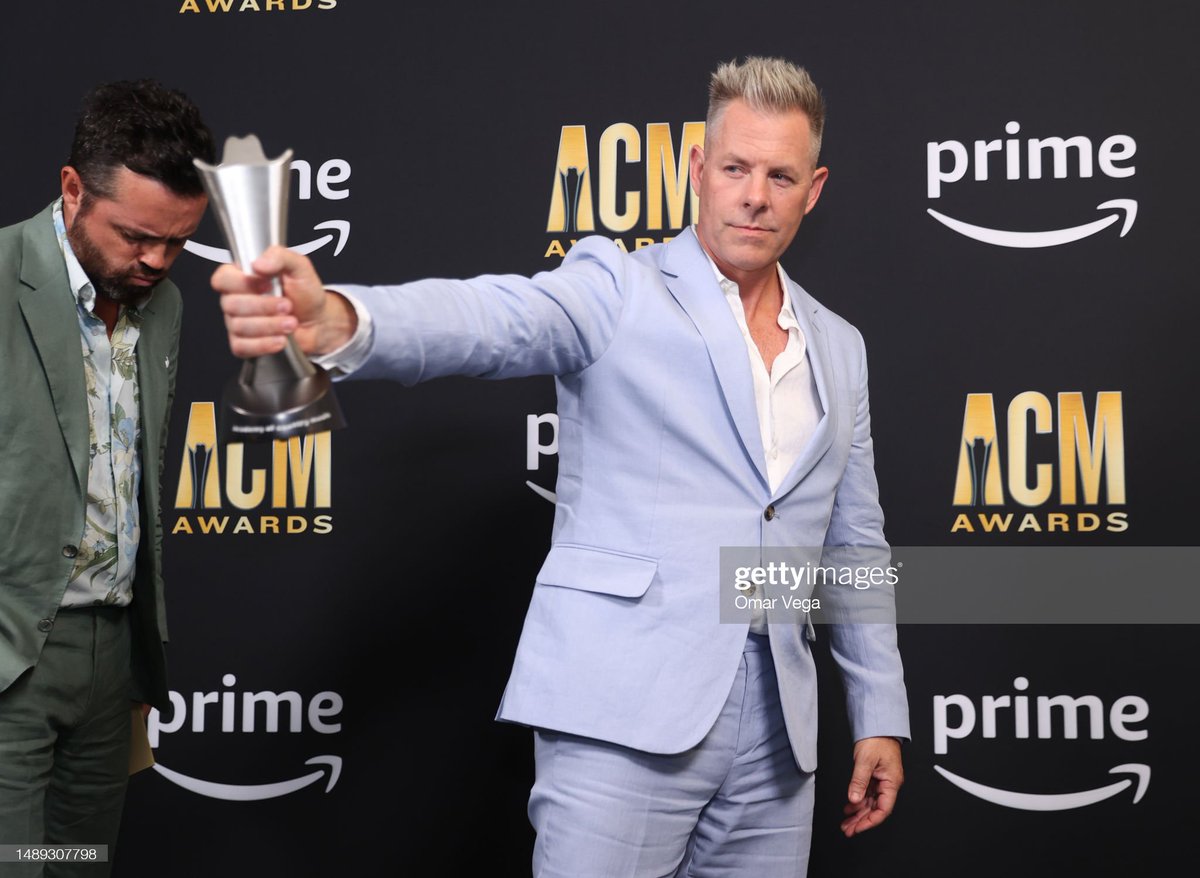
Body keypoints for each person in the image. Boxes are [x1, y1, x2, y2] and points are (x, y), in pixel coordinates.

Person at [213, 56, 908, 876]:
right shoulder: (617, 285)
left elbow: (854, 547)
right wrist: (336, 318)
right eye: (736, 168)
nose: (755, 195)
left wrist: (878, 714)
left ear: (813, 189)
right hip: (621, 711)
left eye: (781, 175)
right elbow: (492, 319)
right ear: (697, 170)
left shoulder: (840, 345)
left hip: (778, 739)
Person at [0, 80, 213, 874]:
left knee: (82, 864)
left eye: (179, 242)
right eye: (135, 236)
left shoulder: (166, 306)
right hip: (12, 656)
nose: (157, 260)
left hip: (111, 665)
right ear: (71, 190)